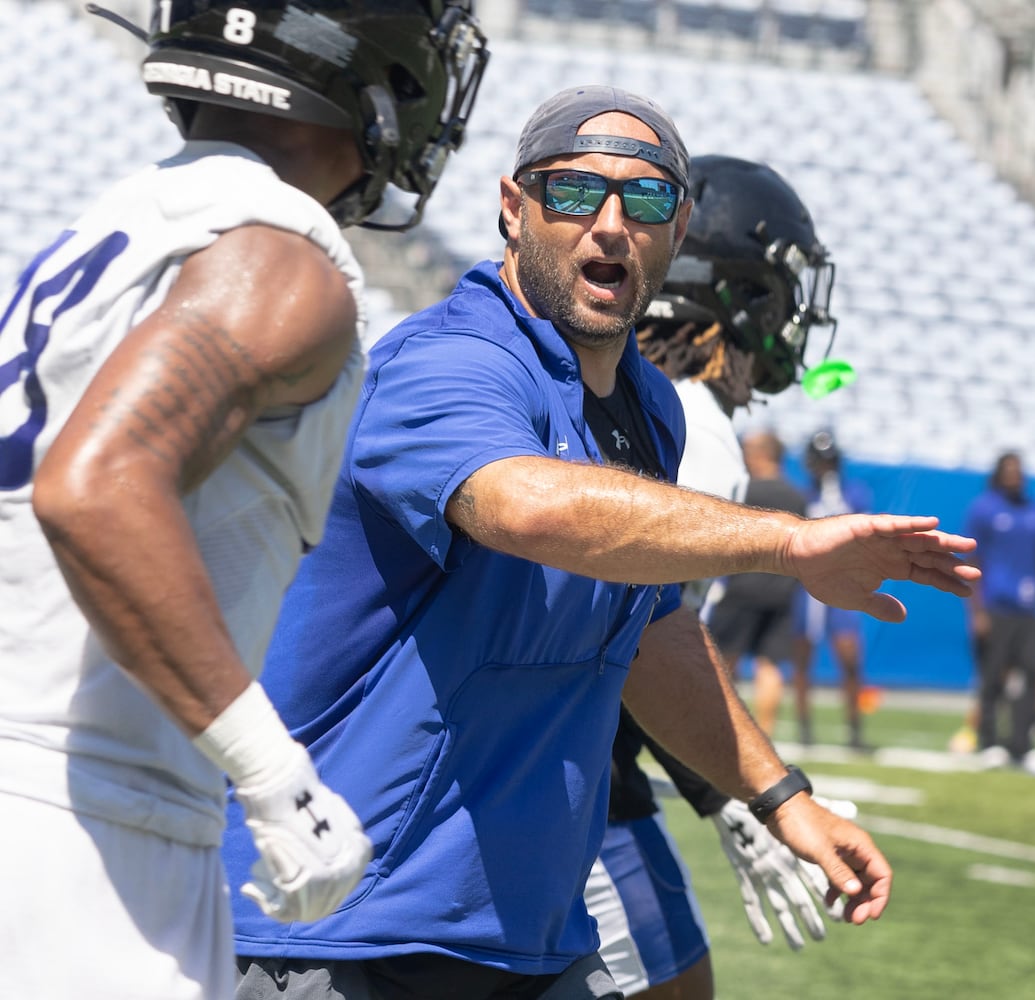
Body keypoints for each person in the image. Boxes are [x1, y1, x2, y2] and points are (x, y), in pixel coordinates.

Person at [225, 85, 977, 998]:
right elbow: (525, 508)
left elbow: (650, 631)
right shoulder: (447, 360)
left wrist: (780, 798)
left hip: (527, 934)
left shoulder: (648, 406)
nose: (611, 223)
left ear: (679, 225)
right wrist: (788, 543)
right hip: (352, 924)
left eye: (647, 199)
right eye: (574, 192)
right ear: (513, 207)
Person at [0, 3, 488, 997]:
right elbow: (94, 488)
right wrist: (275, 775)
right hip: (83, 819)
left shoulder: (128, 218)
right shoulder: (275, 257)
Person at [598, 155, 841, 998]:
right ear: (735, 295)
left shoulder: (612, 381)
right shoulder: (685, 421)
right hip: (561, 774)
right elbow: (633, 635)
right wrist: (739, 794)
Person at [962, 452, 1035, 773]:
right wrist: (977, 610)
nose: (1015, 476)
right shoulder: (985, 508)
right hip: (996, 605)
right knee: (993, 676)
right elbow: (972, 561)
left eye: (1019, 471)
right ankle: (988, 740)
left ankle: (1021, 744)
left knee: (1031, 673)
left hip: (1028, 607)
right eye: (1009, 470)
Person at [710, 432, 810, 737]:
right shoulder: (798, 496)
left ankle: (725, 728)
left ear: (761, 454)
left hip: (742, 588)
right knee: (770, 665)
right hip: (782, 591)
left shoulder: (745, 490)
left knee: (724, 660)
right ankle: (764, 733)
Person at [791, 430, 877, 751]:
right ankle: (804, 728)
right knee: (802, 658)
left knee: (850, 657)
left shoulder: (854, 493)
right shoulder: (802, 495)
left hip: (842, 580)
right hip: (806, 587)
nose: (825, 467)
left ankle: (855, 728)